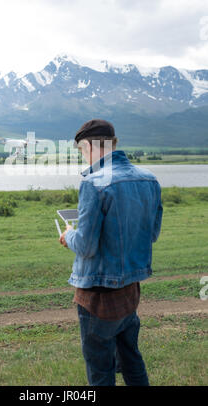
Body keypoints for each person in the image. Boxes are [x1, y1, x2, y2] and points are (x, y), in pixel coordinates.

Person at [59, 119, 163, 386]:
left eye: (82, 152)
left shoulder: (93, 183)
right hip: (131, 289)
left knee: (101, 371)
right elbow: (151, 234)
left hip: (98, 294)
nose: (83, 158)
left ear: (89, 146)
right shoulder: (149, 179)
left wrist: (68, 234)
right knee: (131, 359)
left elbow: (86, 246)